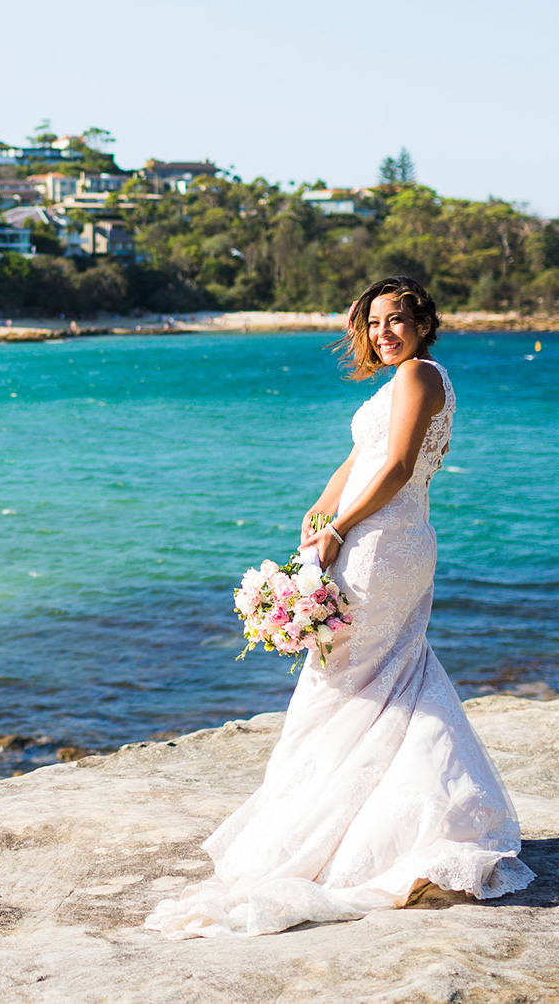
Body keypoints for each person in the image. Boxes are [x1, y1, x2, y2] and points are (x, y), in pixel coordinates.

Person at [146, 277, 532, 939]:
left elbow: (400, 467)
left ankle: (368, 836)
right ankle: (407, 818)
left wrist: (338, 527)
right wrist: (318, 512)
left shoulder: (419, 378)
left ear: (421, 324)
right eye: (373, 322)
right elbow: (359, 458)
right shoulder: (403, 382)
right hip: (378, 535)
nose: (384, 331)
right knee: (381, 677)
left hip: (382, 540)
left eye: (396, 319)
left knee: (353, 678)